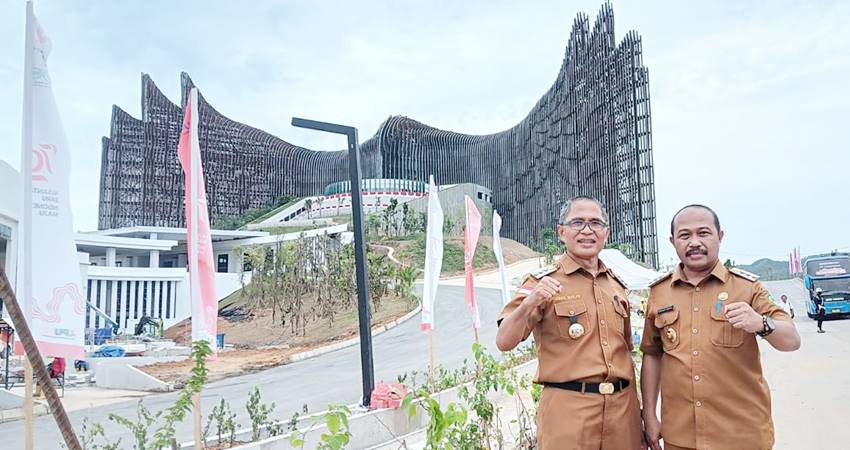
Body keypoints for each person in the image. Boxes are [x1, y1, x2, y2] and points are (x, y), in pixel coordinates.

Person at [640, 204, 800, 450]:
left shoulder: (747, 288)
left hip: (741, 435)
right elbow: (652, 355)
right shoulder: (659, 292)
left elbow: (791, 341)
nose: (694, 242)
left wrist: (760, 323)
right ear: (672, 241)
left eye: (703, 233)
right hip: (681, 436)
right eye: (685, 235)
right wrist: (650, 415)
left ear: (720, 236)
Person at [496, 196, 643, 450]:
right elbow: (504, 341)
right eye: (577, 222)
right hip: (568, 413)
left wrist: (638, 416)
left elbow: (626, 354)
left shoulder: (616, 286)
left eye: (595, 223)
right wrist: (531, 302)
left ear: (606, 233)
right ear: (561, 232)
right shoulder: (541, 283)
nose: (587, 230)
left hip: (622, 413)